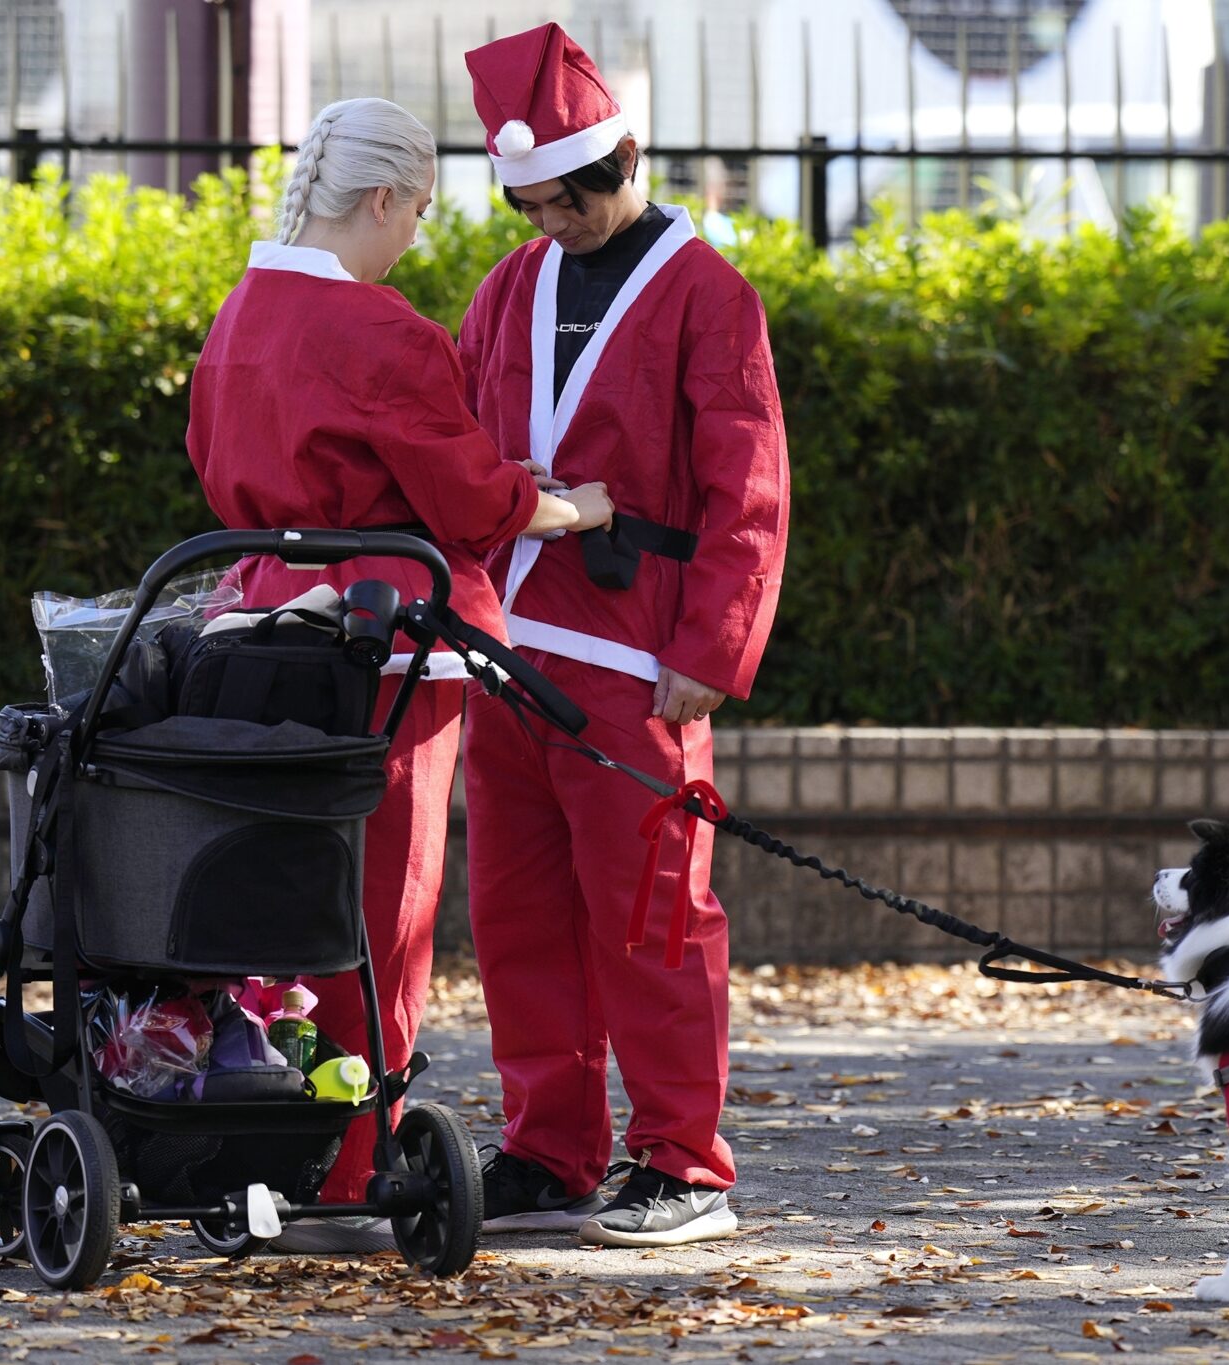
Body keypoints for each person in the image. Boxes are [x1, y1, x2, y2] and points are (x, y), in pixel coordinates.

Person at [185, 95, 614, 1253]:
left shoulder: (239, 313)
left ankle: (258, 1115)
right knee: (387, 903)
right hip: (386, 631)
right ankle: (349, 1154)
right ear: (380, 198)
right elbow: (469, 496)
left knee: (275, 882)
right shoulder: (384, 332)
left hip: (262, 618)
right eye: (418, 211)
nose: (417, 237)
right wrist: (568, 507)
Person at [456, 24, 790, 1248]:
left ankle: (683, 1163)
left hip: (636, 658)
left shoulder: (710, 294)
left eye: (569, 201)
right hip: (505, 648)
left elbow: (748, 488)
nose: (553, 224)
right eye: (531, 205)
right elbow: (454, 440)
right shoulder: (508, 285)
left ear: (624, 160)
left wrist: (711, 647)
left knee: (653, 913)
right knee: (518, 912)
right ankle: (549, 1149)